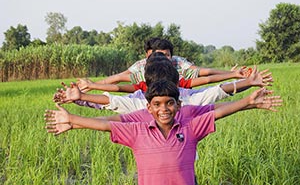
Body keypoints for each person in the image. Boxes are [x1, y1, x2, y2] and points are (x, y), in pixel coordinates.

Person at [45, 80, 282, 185]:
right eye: (157, 104)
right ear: (149, 108)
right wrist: (71, 119)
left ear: (178, 105)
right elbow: (107, 124)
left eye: (169, 103)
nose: (163, 109)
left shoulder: (190, 128)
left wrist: (248, 101)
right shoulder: (137, 131)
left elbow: (218, 113)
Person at [53, 55, 273, 114]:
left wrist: (246, 83)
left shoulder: (185, 98)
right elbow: (111, 100)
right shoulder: (142, 103)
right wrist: (80, 98)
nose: (163, 109)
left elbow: (215, 91)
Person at [77, 38, 242, 92]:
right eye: (158, 56)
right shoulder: (141, 72)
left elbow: (203, 74)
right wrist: (92, 85)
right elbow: (119, 82)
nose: (163, 60)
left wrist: (231, 73)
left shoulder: (178, 73)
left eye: (166, 56)